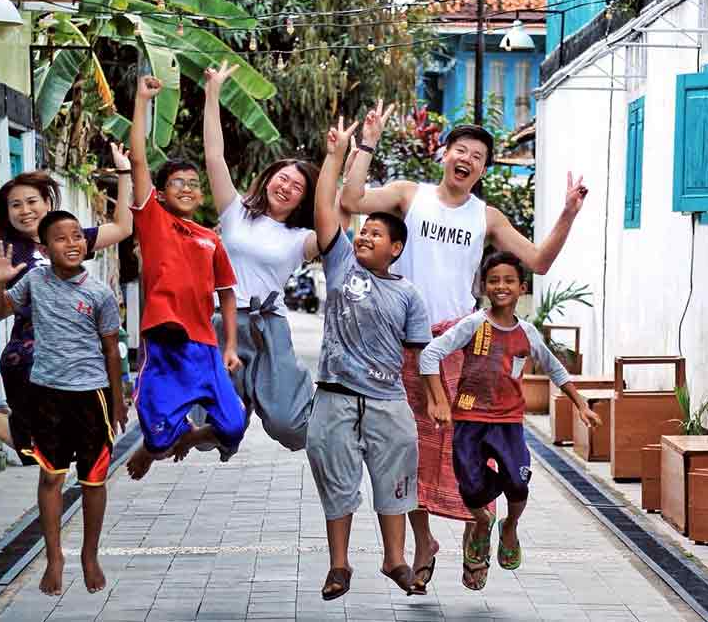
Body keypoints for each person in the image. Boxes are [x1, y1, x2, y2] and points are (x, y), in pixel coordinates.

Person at [340, 123, 588, 588]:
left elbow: (537, 261)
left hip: (460, 347)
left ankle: (480, 526)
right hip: (402, 345)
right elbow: (350, 202)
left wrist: (568, 213)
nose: (467, 159)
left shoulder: (486, 217)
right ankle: (424, 542)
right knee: (406, 452)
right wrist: (366, 145)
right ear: (444, 154)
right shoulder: (408, 196)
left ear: (482, 170)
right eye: (460, 150)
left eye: (477, 156)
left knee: (469, 449)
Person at [200, 62, 381, 450]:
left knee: (290, 424)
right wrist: (213, 92)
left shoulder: (300, 237)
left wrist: (352, 153)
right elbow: (214, 156)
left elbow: (341, 216)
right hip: (221, 322)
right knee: (213, 428)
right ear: (268, 179)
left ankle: (344, 417)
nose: (287, 186)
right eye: (282, 177)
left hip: (269, 326)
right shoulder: (233, 212)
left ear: (303, 198)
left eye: (298, 186)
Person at [0, 147, 133, 465]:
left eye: (32, 202)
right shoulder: (8, 251)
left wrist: (124, 172)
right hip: (29, 360)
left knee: (61, 448)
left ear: (48, 204)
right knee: (39, 452)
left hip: (71, 361)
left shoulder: (69, 238)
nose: (25, 210)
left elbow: (123, 227)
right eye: (15, 205)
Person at [306, 113, 440, 601]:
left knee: (396, 482)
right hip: (336, 398)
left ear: (396, 248)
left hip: (388, 403)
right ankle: (338, 567)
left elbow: (421, 355)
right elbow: (326, 206)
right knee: (337, 484)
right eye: (362, 231)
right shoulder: (341, 263)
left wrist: (434, 400)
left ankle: (394, 560)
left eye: (376, 235)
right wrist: (337, 152)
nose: (363, 236)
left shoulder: (409, 295)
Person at [419, 251, 601, 590]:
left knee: (518, 482)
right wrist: (439, 400)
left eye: (509, 280)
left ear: (522, 288)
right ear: (484, 287)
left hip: (508, 424)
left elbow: (554, 368)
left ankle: (509, 527)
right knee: (471, 490)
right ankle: (481, 522)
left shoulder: (528, 333)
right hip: (469, 421)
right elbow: (430, 354)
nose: (501, 286)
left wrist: (580, 404)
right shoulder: (473, 324)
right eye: (493, 281)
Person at [0, 209, 128, 597]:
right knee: (50, 477)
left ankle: (89, 554)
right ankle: (53, 556)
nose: (72, 243)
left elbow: (112, 351)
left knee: (94, 479)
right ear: (45, 248)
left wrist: (117, 401)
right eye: (61, 238)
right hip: (45, 394)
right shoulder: (34, 280)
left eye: (78, 236)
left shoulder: (99, 293)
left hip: (91, 396)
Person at [124, 75, 246, 480]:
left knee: (233, 426)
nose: (189, 188)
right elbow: (139, 159)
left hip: (206, 349)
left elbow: (227, 293)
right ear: (159, 193)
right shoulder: (153, 220)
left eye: (194, 184)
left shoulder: (211, 238)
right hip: (165, 344)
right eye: (178, 182)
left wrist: (229, 345)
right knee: (157, 441)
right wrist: (142, 101)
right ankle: (156, 445)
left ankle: (189, 437)